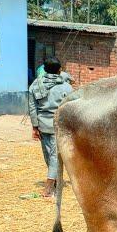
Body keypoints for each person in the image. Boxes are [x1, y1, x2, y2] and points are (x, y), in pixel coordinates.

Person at [28, 57, 74, 197]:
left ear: (45, 69)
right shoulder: (66, 87)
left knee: (48, 154)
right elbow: (71, 108)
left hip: (42, 124)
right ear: (60, 70)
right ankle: (49, 186)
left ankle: (52, 182)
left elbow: (32, 107)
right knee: (54, 155)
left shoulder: (36, 84)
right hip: (59, 124)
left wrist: (35, 126)